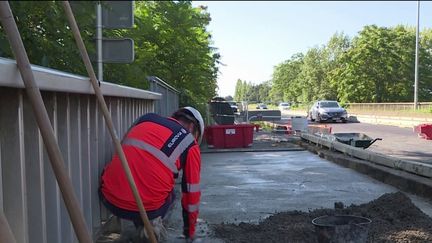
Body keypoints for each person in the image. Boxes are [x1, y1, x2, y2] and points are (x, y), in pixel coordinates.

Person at [99, 107, 204, 242]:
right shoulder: (190, 143)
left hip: (109, 198)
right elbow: (191, 193)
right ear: (191, 127)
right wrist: (189, 232)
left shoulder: (146, 119)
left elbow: (124, 153)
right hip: (147, 208)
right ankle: (151, 228)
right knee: (172, 193)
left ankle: (125, 225)